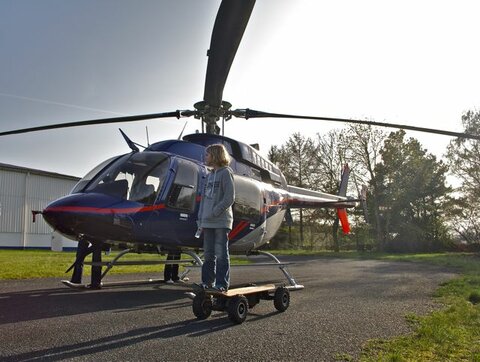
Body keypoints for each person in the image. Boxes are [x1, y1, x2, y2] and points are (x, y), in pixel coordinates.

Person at [197, 144, 235, 292]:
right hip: (207, 222)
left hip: (220, 221)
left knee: (221, 254)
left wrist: (215, 212)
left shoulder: (226, 173)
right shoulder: (209, 175)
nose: (205, 157)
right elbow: (204, 200)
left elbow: (229, 197)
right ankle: (207, 282)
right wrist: (201, 219)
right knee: (208, 255)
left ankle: (221, 284)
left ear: (215, 155)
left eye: (207, 155)